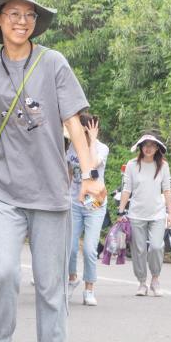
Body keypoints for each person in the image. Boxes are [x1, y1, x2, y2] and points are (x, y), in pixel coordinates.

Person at [0, 0, 104, 342]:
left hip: (51, 190)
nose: (21, 21)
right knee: (1, 271)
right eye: (13, 14)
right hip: (5, 188)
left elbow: (74, 123)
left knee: (49, 283)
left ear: (35, 23)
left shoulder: (53, 62)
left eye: (29, 15)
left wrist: (90, 174)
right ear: (0, 20)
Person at [117, 133, 171, 297]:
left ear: (157, 148)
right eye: (145, 145)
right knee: (139, 249)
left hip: (157, 214)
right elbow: (127, 189)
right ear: (141, 147)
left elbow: (167, 190)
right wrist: (121, 211)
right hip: (136, 214)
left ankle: (155, 279)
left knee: (156, 246)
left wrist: (170, 213)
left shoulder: (163, 166)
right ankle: (142, 282)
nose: (148, 148)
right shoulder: (132, 165)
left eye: (152, 145)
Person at [67, 114, 110, 306]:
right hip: (75, 201)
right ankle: (72, 278)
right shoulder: (72, 146)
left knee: (90, 249)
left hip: (95, 202)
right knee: (70, 246)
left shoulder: (102, 148)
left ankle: (89, 289)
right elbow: (70, 171)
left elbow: (91, 164)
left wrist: (92, 140)